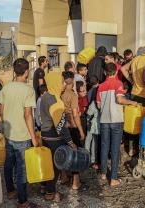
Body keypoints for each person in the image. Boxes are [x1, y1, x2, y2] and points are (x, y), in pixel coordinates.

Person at [0, 58, 39, 208]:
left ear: (15, 71)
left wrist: (2, 124)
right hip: (22, 136)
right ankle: (22, 201)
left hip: (9, 134)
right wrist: (34, 137)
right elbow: (28, 116)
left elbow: (0, 109)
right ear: (27, 71)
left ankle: (10, 191)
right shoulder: (28, 90)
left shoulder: (6, 88)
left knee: (8, 164)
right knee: (21, 169)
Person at [97, 63, 137, 187]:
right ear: (116, 72)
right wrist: (131, 102)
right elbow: (120, 100)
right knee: (115, 149)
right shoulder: (118, 83)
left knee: (104, 147)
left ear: (105, 73)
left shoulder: (101, 86)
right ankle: (113, 178)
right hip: (116, 120)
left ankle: (103, 173)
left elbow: (98, 105)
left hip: (104, 120)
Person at [40, 72, 78, 201]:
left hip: (45, 135)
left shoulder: (45, 96)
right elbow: (60, 126)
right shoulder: (55, 100)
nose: (64, 84)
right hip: (54, 138)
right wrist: (70, 141)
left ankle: (44, 187)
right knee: (55, 166)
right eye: (62, 81)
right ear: (55, 83)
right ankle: (50, 193)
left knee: (47, 163)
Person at [60, 71, 85, 190]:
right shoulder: (73, 95)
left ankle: (63, 176)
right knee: (75, 153)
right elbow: (75, 114)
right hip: (71, 127)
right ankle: (75, 182)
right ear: (73, 81)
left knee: (63, 152)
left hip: (61, 127)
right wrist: (80, 130)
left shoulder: (60, 94)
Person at [85, 76, 100, 169]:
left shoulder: (89, 92)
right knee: (94, 141)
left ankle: (87, 158)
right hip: (97, 123)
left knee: (88, 139)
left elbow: (88, 112)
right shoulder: (100, 89)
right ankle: (93, 159)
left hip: (90, 122)